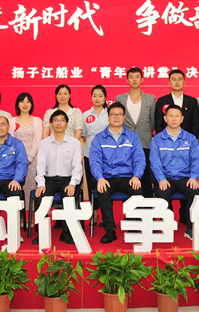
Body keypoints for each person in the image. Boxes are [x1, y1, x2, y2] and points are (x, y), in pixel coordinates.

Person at [89, 102, 146, 244]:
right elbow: (95, 161)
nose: (116, 117)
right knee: (102, 190)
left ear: (124, 117)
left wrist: (136, 176)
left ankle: (132, 225)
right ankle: (110, 229)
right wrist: (100, 178)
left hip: (128, 176)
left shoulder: (132, 137)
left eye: (119, 114)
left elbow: (139, 159)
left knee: (137, 190)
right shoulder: (99, 138)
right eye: (113, 114)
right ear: (108, 117)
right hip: (107, 177)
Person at [150, 105, 199, 239]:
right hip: (166, 178)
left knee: (195, 193)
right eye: (170, 116)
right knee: (162, 193)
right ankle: (167, 226)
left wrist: (193, 177)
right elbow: (155, 162)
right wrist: (161, 179)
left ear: (182, 119)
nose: (174, 119)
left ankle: (191, 227)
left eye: (177, 116)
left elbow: (197, 160)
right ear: (165, 118)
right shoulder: (157, 139)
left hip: (186, 178)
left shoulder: (190, 138)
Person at [32, 110, 83, 245]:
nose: (58, 123)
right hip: (49, 180)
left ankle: (65, 233)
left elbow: (77, 167)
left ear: (67, 124)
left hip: (67, 179)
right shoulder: (44, 143)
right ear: (50, 124)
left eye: (62, 120)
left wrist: (72, 184)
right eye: (55, 120)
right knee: (40, 197)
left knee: (69, 198)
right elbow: (40, 166)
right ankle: (42, 233)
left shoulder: (74, 143)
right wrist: (41, 184)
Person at [115, 67, 156, 198]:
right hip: (125, 143)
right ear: (127, 80)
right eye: (131, 77)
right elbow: (118, 120)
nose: (134, 79)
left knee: (145, 177)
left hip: (145, 142)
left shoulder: (150, 99)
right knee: (128, 177)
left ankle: (148, 208)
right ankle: (131, 210)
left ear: (142, 79)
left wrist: (147, 134)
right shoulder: (120, 98)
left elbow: (152, 121)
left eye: (137, 77)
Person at [9, 93, 43, 217]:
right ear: (17, 104)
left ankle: (31, 217)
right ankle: (20, 216)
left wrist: (29, 157)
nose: (25, 104)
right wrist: (19, 159)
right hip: (15, 160)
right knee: (18, 188)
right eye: (22, 101)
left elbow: (39, 140)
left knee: (32, 187)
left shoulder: (37, 120)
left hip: (33, 159)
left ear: (31, 104)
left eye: (28, 102)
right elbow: (10, 141)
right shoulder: (11, 121)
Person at [82, 85, 109, 223]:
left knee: (106, 183)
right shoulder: (85, 115)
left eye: (100, 96)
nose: (97, 98)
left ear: (105, 97)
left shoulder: (110, 114)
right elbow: (84, 135)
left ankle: (106, 213)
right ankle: (94, 212)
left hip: (108, 155)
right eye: (94, 96)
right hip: (89, 154)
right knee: (92, 185)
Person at [154, 69, 199, 137]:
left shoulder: (192, 101)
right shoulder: (162, 101)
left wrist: (192, 139)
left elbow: (195, 123)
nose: (177, 82)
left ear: (184, 82)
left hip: (187, 139)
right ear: (169, 83)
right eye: (174, 79)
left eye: (180, 79)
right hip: (166, 139)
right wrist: (162, 139)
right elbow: (158, 123)